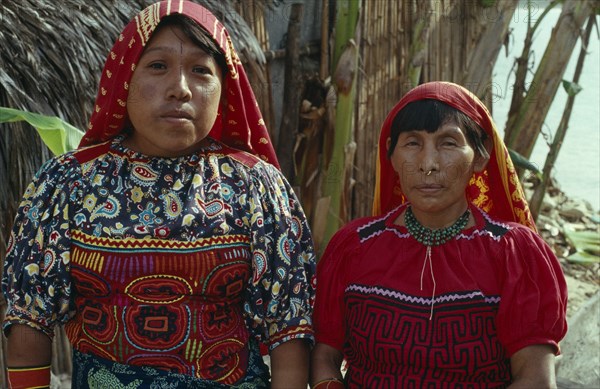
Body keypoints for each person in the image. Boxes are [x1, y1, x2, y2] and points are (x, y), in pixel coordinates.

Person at [2, 1, 315, 388]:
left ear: (225, 87)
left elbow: (289, 327)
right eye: (158, 66)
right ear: (124, 80)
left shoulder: (257, 187)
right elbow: (30, 318)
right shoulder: (66, 184)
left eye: (201, 70)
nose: (179, 89)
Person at [311, 81, 567, 388]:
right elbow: (323, 355)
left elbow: (535, 379)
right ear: (390, 154)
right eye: (412, 144)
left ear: (481, 157)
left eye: (448, 143)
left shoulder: (514, 254)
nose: (428, 165)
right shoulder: (354, 246)